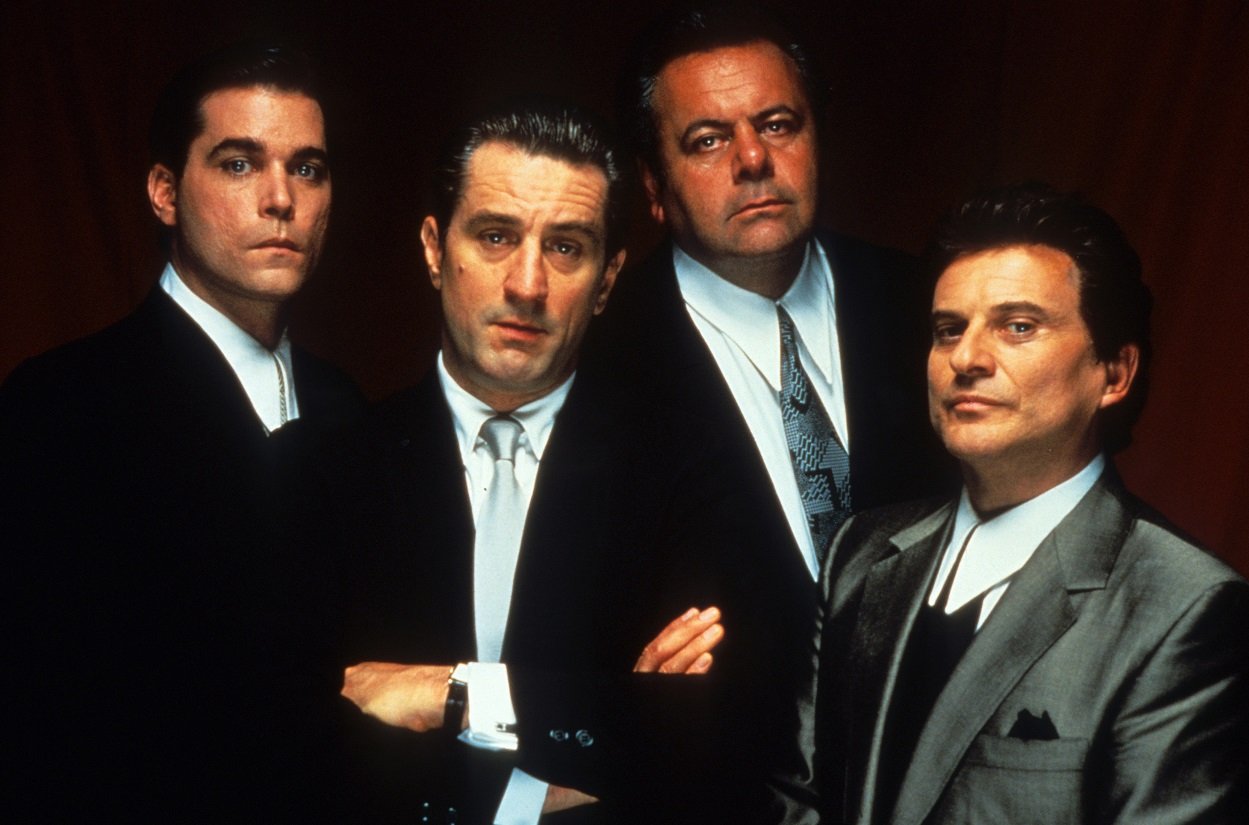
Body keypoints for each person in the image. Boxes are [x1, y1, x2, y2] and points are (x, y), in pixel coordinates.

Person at [326, 101, 792, 824]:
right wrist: (601, 731)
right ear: (433, 248)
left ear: (607, 280)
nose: (527, 284)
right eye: (495, 236)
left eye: (566, 248)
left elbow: (714, 733)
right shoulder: (328, 465)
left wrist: (450, 693)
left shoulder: (692, 471)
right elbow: (300, 734)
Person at [778, 183, 1249, 824]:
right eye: (948, 330)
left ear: (1114, 374)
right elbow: (799, 801)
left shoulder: (1186, 606)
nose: (966, 358)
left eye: (1018, 326)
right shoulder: (860, 554)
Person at [1, 42, 361, 820]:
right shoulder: (59, 407)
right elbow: (51, 724)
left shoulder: (347, 406)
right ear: (165, 192)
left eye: (307, 168)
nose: (280, 199)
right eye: (239, 164)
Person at [590, 0, 950, 679]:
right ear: (653, 185)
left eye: (778, 125)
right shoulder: (594, 359)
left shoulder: (928, 305)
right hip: (714, 744)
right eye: (707, 140)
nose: (753, 158)